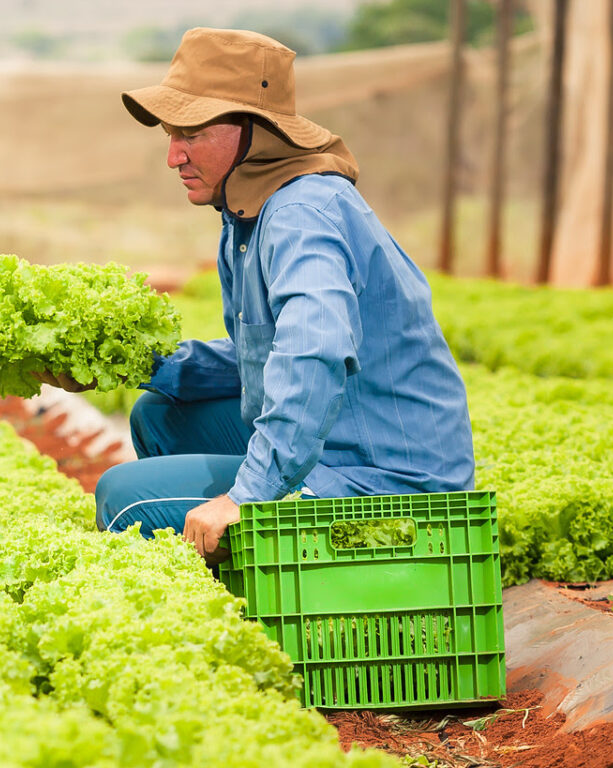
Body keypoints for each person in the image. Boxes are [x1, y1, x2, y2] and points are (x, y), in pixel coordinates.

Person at [90, 28, 475, 560]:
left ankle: (248, 595)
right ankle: (249, 580)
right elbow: (260, 354)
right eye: (170, 135)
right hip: (340, 443)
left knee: (125, 497)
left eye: (192, 133)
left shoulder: (298, 216)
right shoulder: (249, 211)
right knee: (158, 414)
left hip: (382, 481)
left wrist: (245, 498)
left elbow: (312, 356)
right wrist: (129, 361)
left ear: (255, 130)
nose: (173, 156)